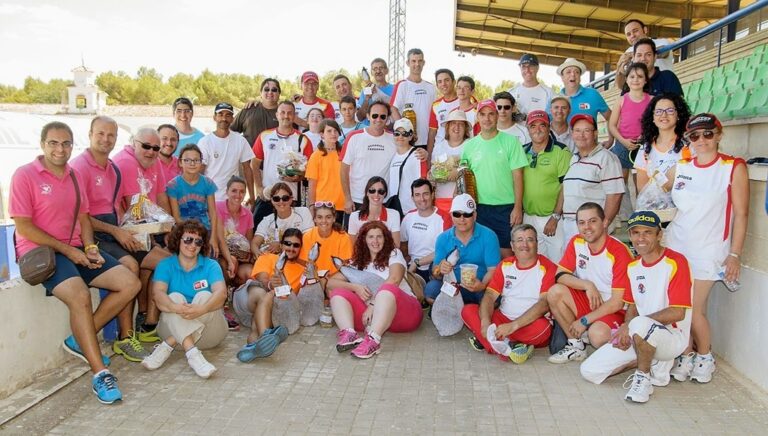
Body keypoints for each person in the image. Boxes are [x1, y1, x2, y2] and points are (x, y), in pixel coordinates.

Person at [10, 121, 141, 404]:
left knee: (130, 282)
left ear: (73, 145)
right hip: (42, 252)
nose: (60, 149)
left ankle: (81, 339)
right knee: (80, 295)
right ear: (43, 144)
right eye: (53, 143)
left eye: (66, 143)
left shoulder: (74, 176)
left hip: (76, 248)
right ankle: (100, 374)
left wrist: (91, 247)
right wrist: (70, 252)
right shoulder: (25, 175)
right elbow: (23, 227)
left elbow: (83, 218)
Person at [663, 113, 749, 383]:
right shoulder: (680, 167)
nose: (701, 140)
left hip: (709, 250)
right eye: (695, 136)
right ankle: (686, 354)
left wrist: (734, 254)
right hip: (677, 247)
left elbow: (742, 214)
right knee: (677, 306)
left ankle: (705, 355)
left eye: (708, 134)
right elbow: (657, 197)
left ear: (718, 135)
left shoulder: (733, 167)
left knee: (692, 309)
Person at [580, 211, 692, 403]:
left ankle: (643, 379)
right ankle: (649, 359)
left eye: (647, 232)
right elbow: (631, 306)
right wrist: (625, 327)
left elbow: (678, 312)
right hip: (640, 333)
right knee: (589, 371)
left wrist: (632, 326)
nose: (641, 238)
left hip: (671, 339)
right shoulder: (633, 267)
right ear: (630, 236)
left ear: (659, 235)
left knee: (640, 323)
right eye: (635, 233)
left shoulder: (676, 262)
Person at [70, 116, 149, 363]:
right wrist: (116, 232)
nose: (105, 139)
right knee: (130, 268)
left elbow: (115, 209)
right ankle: (93, 337)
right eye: (100, 134)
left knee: (145, 262)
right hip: (88, 236)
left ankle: (124, 337)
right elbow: (79, 216)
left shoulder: (112, 169)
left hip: (111, 231)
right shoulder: (78, 168)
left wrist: (129, 229)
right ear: (90, 134)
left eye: (111, 135)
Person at [546, 202, 633, 364]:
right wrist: (587, 285)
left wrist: (584, 320)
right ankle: (576, 346)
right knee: (555, 291)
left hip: (614, 310)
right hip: (590, 301)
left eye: (593, 221)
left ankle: (625, 347)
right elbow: (560, 275)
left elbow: (617, 302)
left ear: (605, 222)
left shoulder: (618, 252)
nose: (587, 227)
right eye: (582, 223)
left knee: (597, 335)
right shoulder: (576, 242)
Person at [140, 220, 228, 378]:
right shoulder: (165, 265)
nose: (192, 245)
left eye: (198, 241)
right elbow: (158, 295)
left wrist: (202, 309)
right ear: (178, 240)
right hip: (172, 330)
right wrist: (176, 308)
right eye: (188, 239)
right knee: (173, 298)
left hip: (209, 334)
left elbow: (221, 294)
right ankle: (194, 355)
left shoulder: (211, 265)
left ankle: (167, 346)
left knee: (205, 296)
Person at [328, 221, 424, 358]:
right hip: (373, 319)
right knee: (338, 293)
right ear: (364, 240)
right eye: (371, 237)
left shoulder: (394, 254)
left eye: (379, 236)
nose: (375, 241)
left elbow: (395, 279)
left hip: (405, 313)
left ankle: (374, 340)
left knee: (387, 289)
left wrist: (373, 304)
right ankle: (349, 334)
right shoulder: (357, 262)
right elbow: (331, 283)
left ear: (386, 238)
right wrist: (355, 287)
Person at [112, 128, 173, 343]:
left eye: (156, 148)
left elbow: (161, 197)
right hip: (126, 231)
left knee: (154, 267)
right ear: (133, 143)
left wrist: (169, 228)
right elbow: (132, 209)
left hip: (146, 229)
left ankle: (146, 318)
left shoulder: (153, 161)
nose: (151, 152)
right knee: (169, 264)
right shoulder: (126, 162)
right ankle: (147, 323)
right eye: (146, 146)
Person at [461, 224, 555, 363]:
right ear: (512, 245)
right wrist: (485, 322)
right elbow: (489, 296)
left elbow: (543, 305)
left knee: (544, 329)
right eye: (519, 240)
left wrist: (513, 326)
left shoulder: (548, 267)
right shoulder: (505, 264)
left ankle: (494, 343)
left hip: (529, 323)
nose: (525, 244)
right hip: (503, 318)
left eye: (530, 239)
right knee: (468, 310)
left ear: (537, 243)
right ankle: (512, 347)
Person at [460, 99, 527, 257]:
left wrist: (517, 207)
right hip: (479, 208)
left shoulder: (511, 142)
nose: (487, 118)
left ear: (497, 116)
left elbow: (518, 177)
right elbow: (464, 176)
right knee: (484, 254)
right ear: (478, 117)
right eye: (483, 114)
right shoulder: (470, 146)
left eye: (491, 114)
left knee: (507, 254)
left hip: (506, 208)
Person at [232, 228, 303, 362]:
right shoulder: (268, 257)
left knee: (257, 324)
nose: (291, 248)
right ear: (281, 245)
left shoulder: (301, 270)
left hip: (269, 310)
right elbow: (262, 279)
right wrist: (271, 285)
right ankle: (266, 334)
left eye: (296, 245)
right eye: (288, 243)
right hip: (249, 298)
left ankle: (252, 345)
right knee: (264, 293)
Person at [166, 144, 234, 278]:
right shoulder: (173, 185)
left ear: (201, 162)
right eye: (187, 160)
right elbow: (176, 216)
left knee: (209, 263)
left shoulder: (207, 183)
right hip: (184, 232)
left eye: (196, 160)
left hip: (205, 230)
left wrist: (213, 238)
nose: (192, 163)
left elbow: (213, 213)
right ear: (180, 162)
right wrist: (190, 236)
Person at [423, 194, 501, 305]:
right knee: (431, 290)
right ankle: (464, 310)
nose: (462, 219)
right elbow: (436, 273)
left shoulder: (489, 236)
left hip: (479, 286)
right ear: (451, 215)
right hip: (452, 286)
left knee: (494, 298)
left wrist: (482, 285)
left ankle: (459, 309)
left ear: (474, 215)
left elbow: (493, 270)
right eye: (457, 214)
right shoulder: (443, 238)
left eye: (467, 214)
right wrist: (440, 268)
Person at [561, 114, 624, 241]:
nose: (581, 135)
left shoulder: (606, 158)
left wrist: (604, 224)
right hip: (571, 225)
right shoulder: (574, 158)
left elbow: (615, 195)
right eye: (577, 131)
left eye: (587, 131)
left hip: (592, 228)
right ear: (572, 134)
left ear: (595, 133)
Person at [251, 100, 314, 225]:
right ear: (277, 115)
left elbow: (310, 171)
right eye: (283, 112)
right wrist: (258, 187)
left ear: (294, 116)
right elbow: (254, 164)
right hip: (268, 195)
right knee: (260, 232)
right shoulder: (265, 136)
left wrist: (298, 177)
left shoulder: (303, 139)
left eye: (290, 113)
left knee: (291, 237)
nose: (286, 116)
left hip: (292, 198)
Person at [521, 110, 571, 261]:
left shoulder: (561, 151)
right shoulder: (522, 151)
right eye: (533, 126)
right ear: (528, 129)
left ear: (549, 127)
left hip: (552, 219)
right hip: (528, 217)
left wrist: (555, 217)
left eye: (542, 125)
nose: (538, 129)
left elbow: (565, 186)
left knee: (558, 263)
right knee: (537, 264)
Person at [198, 102, 256, 203]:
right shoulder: (205, 142)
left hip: (233, 199)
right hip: (211, 199)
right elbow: (199, 172)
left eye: (228, 115)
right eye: (220, 114)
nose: (224, 119)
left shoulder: (240, 141)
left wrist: (252, 196)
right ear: (214, 117)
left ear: (232, 119)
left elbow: (247, 169)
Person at [635, 93, 692, 193]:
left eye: (670, 110)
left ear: (678, 114)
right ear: (652, 117)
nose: (664, 115)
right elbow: (642, 188)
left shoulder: (689, 144)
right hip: (655, 206)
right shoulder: (645, 149)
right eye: (658, 111)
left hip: (685, 205)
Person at [400, 178, 451, 283]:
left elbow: (446, 249)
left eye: (425, 194)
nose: (422, 199)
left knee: (429, 293)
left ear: (432, 195)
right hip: (411, 266)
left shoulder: (444, 218)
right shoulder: (408, 217)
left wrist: (418, 262)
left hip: (435, 266)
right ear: (412, 198)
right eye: (417, 195)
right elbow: (403, 244)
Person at [608, 62, 652, 178]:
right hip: (623, 145)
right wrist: (623, 141)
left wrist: (645, 136)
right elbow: (612, 125)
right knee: (621, 184)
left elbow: (655, 124)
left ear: (646, 80)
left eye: (640, 76)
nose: (636, 80)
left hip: (643, 146)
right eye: (632, 76)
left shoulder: (652, 100)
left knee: (641, 185)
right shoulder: (621, 100)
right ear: (626, 80)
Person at [557, 58, 613, 146]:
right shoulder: (555, 100)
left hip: (590, 151)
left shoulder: (593, 94)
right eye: (568, 72)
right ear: (562, 77)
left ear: (580, 76)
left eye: (576, 72)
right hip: (564, 152)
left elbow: (610, 117)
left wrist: (610, 139)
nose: (573, 75)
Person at [390, 48, 437, 149]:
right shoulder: (402, 85)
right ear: (408, 63)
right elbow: (393, 109)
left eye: (420, 61)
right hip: (408, 141)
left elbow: (435, 112)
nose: (417, 64)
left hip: (428, 140)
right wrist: (405, 131)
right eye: (413, 61)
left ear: (424, 63)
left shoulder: (431, 87)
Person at [252, 182, 314, 257]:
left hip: (298, 258)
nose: (281, 202)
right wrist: (258, 254)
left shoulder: (303, 212)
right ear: (272, 201)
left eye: (285, 198)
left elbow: (308, 240)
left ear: (291, 199)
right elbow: (254, 243)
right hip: (271, 260)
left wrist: (281, 245)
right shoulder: (266, 220)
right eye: (276, 198)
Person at [216, 176, 255, 286]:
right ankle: (224, 296)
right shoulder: (216, 207)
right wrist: (230, 259)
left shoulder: (248, 214)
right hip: (219, 254)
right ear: (227, 192)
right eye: (234, 191)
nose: (238, 195)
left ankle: (237, 296)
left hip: (240, 259)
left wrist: (248, 255)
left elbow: (249, 241)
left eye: (242, 191)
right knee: (230, 262)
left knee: (251, 273)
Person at [306, 119, 346, 222]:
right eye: (329, 131)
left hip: (342, 204)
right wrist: (311, 206)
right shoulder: (316, 155)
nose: (333, 134)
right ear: (322, 134)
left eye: (335, 131)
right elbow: (312, 184)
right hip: (323, 206)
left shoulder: (344, 154)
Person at [615, 19, 674, 90]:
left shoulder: (661, 42)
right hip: (641, 92)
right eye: (628, 34)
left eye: (635, 31)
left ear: (645, 30)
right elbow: (621, 86)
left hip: (663, 87)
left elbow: (665, 52)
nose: (632, 35)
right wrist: (619, 67)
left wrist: (635, 55)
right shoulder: (627, 51)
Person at [431, 110, 471, 214]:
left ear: (466, 128)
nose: (457, 127)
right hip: (439, 200)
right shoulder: (439, 146)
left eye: (461, 124)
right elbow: (433, 171)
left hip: (462, 201)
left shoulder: (471, 145)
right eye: (453, 123)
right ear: (448, 127)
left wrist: (458, 172)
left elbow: (473, 170)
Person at [300, 202, 353, 277]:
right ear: (314, 219)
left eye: (328, 217)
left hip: (335, 279)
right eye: (319, 217)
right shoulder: (308, 236)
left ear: (334, 218)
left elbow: (344, 267)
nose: (324, 221)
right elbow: (305, 262)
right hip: (314, 277)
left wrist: (326, 280)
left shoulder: (343, 237)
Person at [387, 118, 427, 217]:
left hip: (411, 209)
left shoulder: (418, 154)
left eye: (404, 133)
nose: (400, 136)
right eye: (397, 133)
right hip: (394, 208)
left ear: (410, 136)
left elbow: (423, 180)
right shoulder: (393, 155)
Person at [348, 177, 401, 245]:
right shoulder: (354, 216)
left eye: (381, 191)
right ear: (367, 193)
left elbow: (396, 245)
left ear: (385, 194)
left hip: (386, 254)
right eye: (372, 190)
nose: (376, 194)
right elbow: (353, 247)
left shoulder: (394, 215)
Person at [231, 78, 280, 146]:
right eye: (266, 89)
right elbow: (230, 130)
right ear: (260, 93)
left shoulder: (285, 114)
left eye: (274, 90)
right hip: (249, 156)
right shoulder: (248, 109)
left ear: (279, 94)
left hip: (275, 156)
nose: (270, 92)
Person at [426, 68, 459, 152]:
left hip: (461, 151)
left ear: (454, 82)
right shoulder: (436, 105)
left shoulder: (467, 100)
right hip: (440, 153)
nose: (443, 84)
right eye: (440, 82)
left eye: (446, 80)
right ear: (437, 85)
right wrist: (429, 156)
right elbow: (432, 133)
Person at [357, 58, 394, 124]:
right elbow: (360, 117)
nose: (378, 71)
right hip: (368, 130)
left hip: (389, 130)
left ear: (387, 71)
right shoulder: (365, 90)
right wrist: (367, 98)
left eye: (381, 68)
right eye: (375, 69)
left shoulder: (395, 89)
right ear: (371, 72)